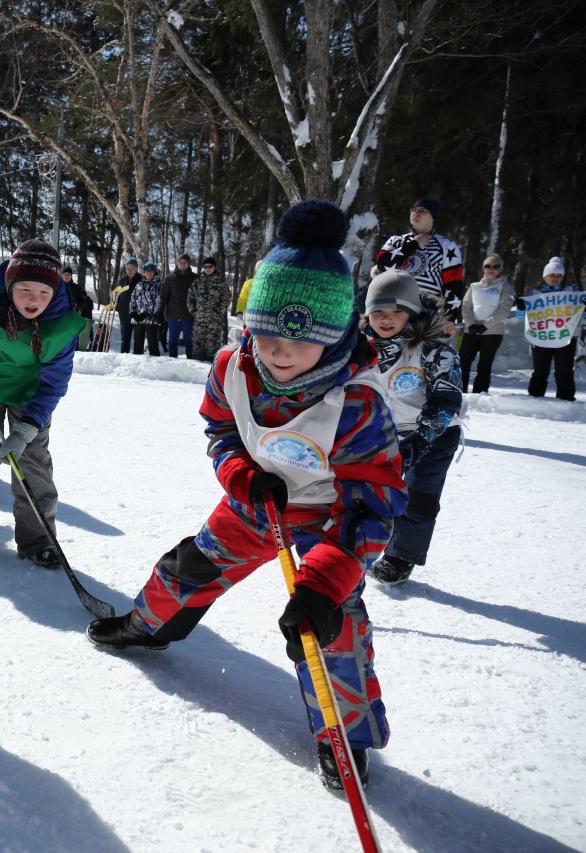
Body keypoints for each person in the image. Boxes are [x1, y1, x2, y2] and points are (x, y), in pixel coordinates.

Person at [86, 200, 407, 790]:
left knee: (329, 624)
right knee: (188, 567)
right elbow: (221, 430)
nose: (279, 351)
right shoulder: (232, 367)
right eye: (266, 332)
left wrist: (329, 577)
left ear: (335, 335)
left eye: (301, 339)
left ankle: (344, 735)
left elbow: (374, 505)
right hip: (254, 504)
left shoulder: (357, 403)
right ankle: (146, 625)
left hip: (328, 524)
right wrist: (239, 473)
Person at [0, 239, 85, 567]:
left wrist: (27, 428)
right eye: (26, 290)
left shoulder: (61, 324)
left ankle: (38, 537)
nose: (34, 300)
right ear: (9, 282)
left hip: (31, 393)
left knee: (32, 460)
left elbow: (54, 384)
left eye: (43, 293)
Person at [362, 271, 463, 586]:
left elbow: (446, 399)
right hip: (386, 432)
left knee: (418, 495)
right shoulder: (361, 349)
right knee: (368, 490)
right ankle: (356, 545)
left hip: (436, 433)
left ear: (413, 312)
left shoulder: (435, 351)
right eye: (378, 311)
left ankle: (400, 557)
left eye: (397, 312)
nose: (386, 319)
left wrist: (422, 439)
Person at [373, 198, 465, 325]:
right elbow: (383, 266)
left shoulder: (447, 246)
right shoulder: (396, 240)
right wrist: (414, 244)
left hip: (426, 313)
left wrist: (449, 319)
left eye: (422, 211)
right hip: (392, 308)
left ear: (433, 217)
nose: (416, 213)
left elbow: (454, 286)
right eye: (414, 210)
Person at [525, 256, 580, 401]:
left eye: (559, 275)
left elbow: (581, 313)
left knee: (564, 370)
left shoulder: (571, 291)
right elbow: (523, 316)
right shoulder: (535, 293)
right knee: (540, 370)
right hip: (542, 336)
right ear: (545, 276)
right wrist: (520, 307)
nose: (555, 278)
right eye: (552, 275)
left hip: (565, 337)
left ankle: (566, 398)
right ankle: (535, 397)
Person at [458, 253, 515, 393]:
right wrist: (470, 324)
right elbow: (466, 306)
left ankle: (480, 393)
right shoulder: (474, 287)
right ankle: (459, 390)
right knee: (463, 362)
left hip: (493, 331)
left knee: (485, 364)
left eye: (495, 267)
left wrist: (486, 325)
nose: (491, 269)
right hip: (471, 330)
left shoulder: (505, 287)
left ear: (500, 269)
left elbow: (504, 309)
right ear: (484, 268)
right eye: (488, 266)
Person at [187, 256, 230, 361]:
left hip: (214, 322)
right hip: (199, 321)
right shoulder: (197, 282)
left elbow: (226, 298)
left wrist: (218, 312)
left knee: (212, 348)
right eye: (205, 267)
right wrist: (194, 312)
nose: (208, 269)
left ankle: (211, 370)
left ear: (214, 267)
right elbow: (190, 298)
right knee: (197, 349)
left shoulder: (221, 283)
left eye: (210, 266)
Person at [160, 253, 196, 357]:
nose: (182, 264)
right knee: (172, 340)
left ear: (188, 264)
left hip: (188, 316)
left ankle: (191, 361)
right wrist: (160, 311)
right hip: (173, 315)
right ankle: (172, 361)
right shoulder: (170, 278)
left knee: (189, 341)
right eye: (180, 262)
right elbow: (164, 297)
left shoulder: (194, 278)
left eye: (185, 262)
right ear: (177, 263)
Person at [129, 261, 164, 355]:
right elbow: (133, 299)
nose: (149, 273)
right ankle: (137, 366)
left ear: (154, 272)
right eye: (147, 271)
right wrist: (133, 313)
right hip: (138, 318)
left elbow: (159, 301)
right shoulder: (139, 285)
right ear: (144, 272)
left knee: (153, 345)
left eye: (151, 271)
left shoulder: (159, 285)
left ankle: (154, 366)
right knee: (137, 345)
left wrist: (149, 314)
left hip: (152, 319)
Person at [62, 265, 97, 351]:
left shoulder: (76, 287)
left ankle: (75, 348)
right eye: (65, 274)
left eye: (68, 275)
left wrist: (78, 306)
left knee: (74, 333)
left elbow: (81, 300)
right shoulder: (58, 286)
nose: (66, 276)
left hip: (74, 313)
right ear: (62, 275)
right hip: (61, 313)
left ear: (71, 276)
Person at [112, 257, 140, 354]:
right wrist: (117, 306)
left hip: (137, 315)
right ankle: (124, 358)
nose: (129, 270)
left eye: (131, 268)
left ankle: (138, 359)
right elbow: (117, 295)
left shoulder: (141, 280)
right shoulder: (122, 280)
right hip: (124, 314)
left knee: (138, 340)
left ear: (136, 268)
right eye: (127, 268)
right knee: (125, 339)